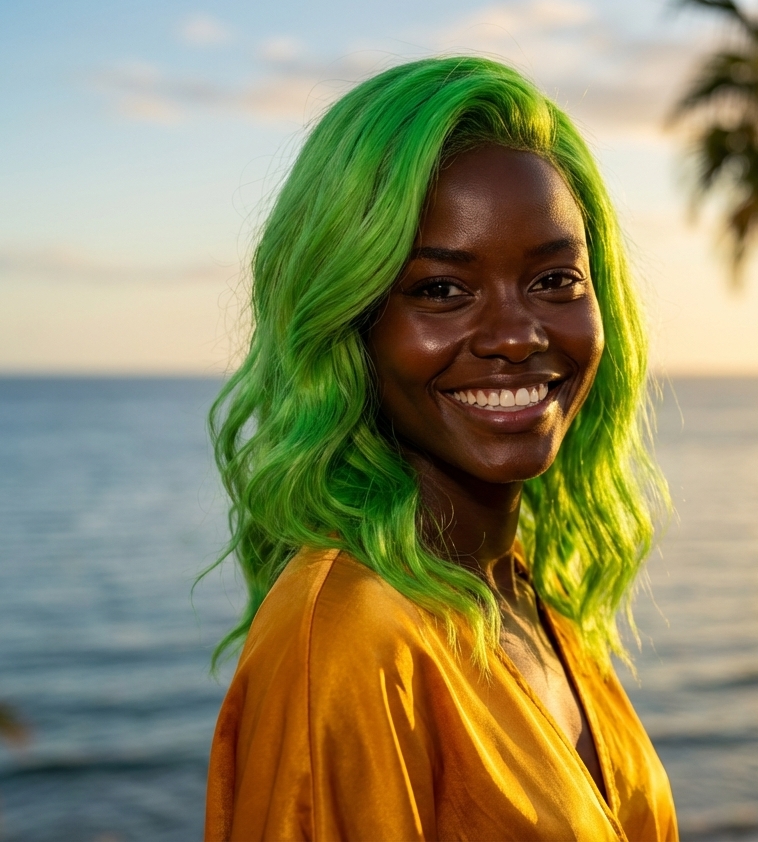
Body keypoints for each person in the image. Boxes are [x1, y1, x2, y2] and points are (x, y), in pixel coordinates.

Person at [202, 57, 676, 841]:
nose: (518, 335)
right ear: (349, 325)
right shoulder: (352, 637)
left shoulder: (523, 594)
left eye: (556, 279)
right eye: (441, 291)